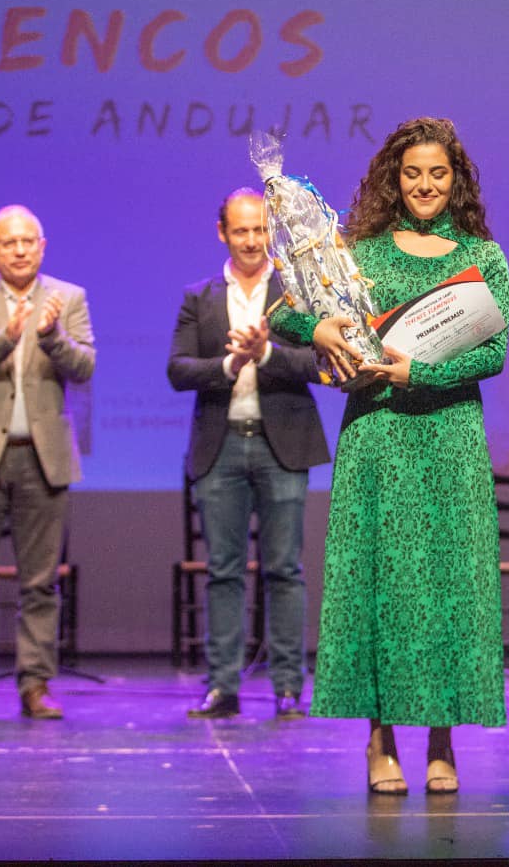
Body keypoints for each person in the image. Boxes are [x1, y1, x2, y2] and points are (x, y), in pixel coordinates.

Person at [269, 116, 509, 795]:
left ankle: (442, 744)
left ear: (455, 178)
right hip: (377, 436)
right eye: (412, 173)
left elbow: (492, 353)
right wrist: (320, 327)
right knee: (379, 586)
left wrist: (420, 376)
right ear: (393, 179)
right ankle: (380, 742)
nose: (426, 185)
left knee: (446, 589)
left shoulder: (482, 257)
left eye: (438, 173)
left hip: (451, 438)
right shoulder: (363, 252)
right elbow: (283, 313)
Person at [168, 188, 331, 720]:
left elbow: (320, 364)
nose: (253, 241)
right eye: (241, 231)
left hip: (280, 442)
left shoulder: (294, 290)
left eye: (261, 230)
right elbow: (178, 370)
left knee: (285, 569)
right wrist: (228, 366)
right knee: (223, 570)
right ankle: (223, 687)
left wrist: (266, 353)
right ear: (223, 233)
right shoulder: (200, 296)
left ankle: (288, 688)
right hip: (220, 446)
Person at [0, 204, 95, 721]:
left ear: (42, 246)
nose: (21, 249)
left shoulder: (67, 297)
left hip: (42, 457)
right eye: (9, 243)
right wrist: (3, 338)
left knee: (39, 581)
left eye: (29, 241)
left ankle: (35, 684)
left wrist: (50, 335)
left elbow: (84, 365)